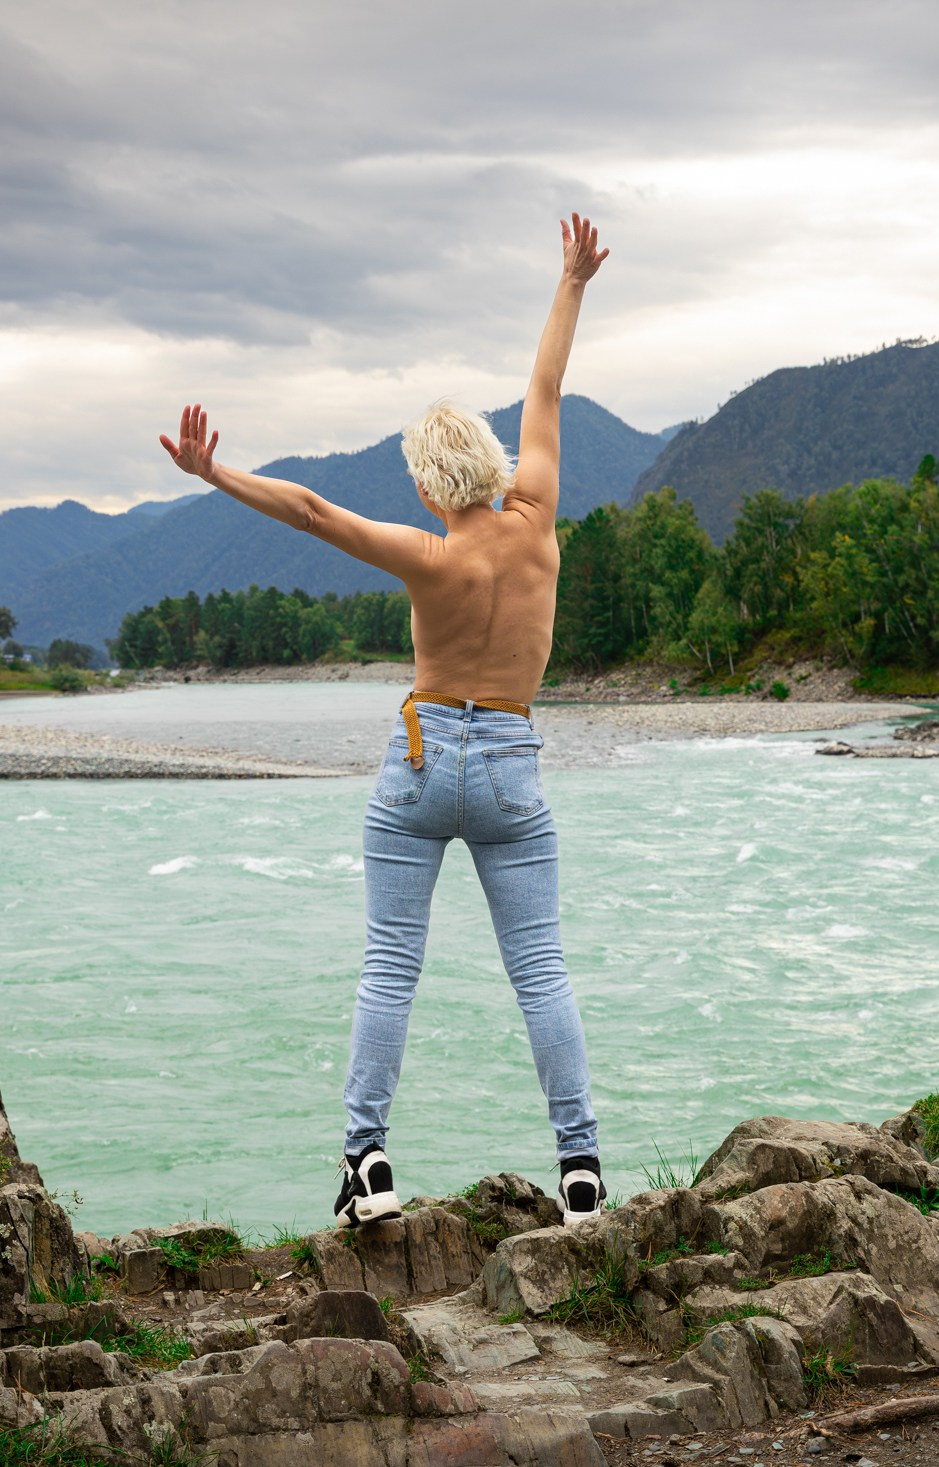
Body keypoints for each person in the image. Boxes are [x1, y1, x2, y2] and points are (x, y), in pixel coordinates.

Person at [159, 214, 612, 1230]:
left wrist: (214, 474)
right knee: (540, 972)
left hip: (417, 766)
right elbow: (544, 388)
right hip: (508, 762)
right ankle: (579, 1169)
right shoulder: (535, 522)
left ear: (423, 485)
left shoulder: (428, 553)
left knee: (389, 970)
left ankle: (367, 1163)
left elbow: (314, 511)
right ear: (493, 464)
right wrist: (571, 281)